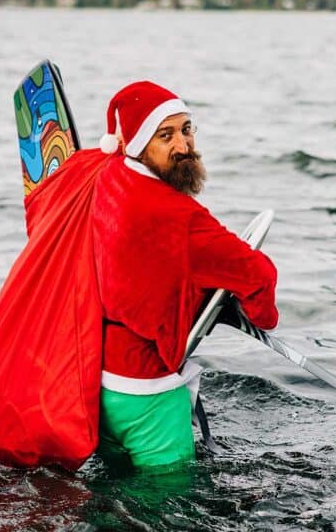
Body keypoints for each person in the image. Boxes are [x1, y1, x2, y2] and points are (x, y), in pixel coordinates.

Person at [92, 81, 279, 471]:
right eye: (165, 135)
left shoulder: (108, 178)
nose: (183, 146)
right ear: (138, 145)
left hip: (98, 387)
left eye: (187, 129)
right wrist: (258, 315)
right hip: (148, 396)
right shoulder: (182, 219)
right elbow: (258, 275)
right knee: (166, 504)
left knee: (113, 498)